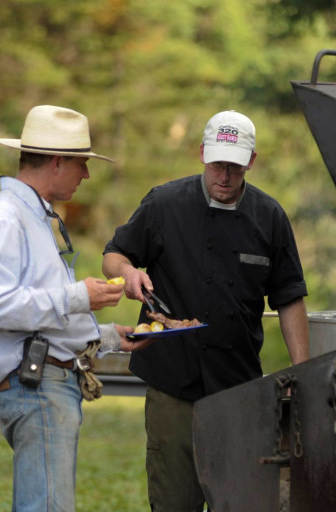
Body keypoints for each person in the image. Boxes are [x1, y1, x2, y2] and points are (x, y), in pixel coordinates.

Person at [102, 109, 310, 511]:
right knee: (173, 501)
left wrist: (303, 374)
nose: (225, 176)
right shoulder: (164, 204)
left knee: (240, 500)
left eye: (235, 166)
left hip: (237, 388)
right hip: (171, 385)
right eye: (217, 164)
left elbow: (289, 298)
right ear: (201, 153)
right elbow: (113, 254)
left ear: (252, 161)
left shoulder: (269, 218)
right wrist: (127, 272)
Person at [0, 105, 152, 512]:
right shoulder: (4, 217)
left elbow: (36, 309)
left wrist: (102, 337)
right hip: (34, 385)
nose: (86, 174)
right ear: (56, 162)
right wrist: (77, 297)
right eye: (82, 164)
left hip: (44, 382)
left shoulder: (29, 215)